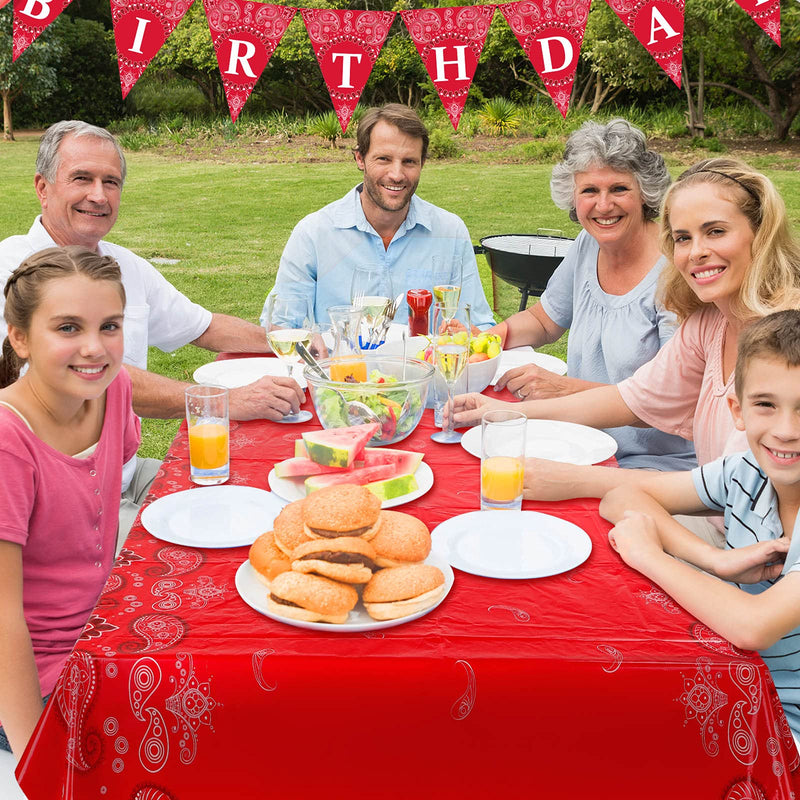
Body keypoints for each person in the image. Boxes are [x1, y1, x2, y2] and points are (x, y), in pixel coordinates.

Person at [453, 158, 800, 539]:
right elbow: (631, 399)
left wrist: (579, 480)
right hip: (720, 523)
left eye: (715, 231)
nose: (695, 252)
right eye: (683, 238)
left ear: (761, 232)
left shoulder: (787, 339)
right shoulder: (710, 321)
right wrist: (506, 411)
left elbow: (729, 490)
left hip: (756, 551)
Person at [0, 120, 305, 544]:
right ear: (43, 187)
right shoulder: (14, 271)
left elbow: (205, 326)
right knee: (214, 547)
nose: (98, 195)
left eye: (111, 182)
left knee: (262, 500)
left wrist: (293, 342)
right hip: (55, 504)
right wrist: (222, 403)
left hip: (124, 473)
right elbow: (92, 381)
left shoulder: (122, 265)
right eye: (82, 178)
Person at [599, 309, 800, 742]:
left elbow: (754, 625)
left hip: (786, 729)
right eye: (766, 405)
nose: (786, 430)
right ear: (738, 410)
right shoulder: (745, 471)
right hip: (738, 685)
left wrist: (651, 555)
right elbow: (622, 498)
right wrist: (714, 559)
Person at [484, 118, 695, 470]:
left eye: (619, 189)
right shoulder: (587, 244)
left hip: (655, 463)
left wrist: (563, 389)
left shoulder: (675, 269)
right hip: (583, 445)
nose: (603, 205)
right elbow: (544, 320)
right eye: (589, 191)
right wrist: (487, 340)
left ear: (646, 193)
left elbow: (669, 401)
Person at [0, 246, 140, 758]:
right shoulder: (8, 442)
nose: (94, 349)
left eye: (109, 326)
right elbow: (2, 617)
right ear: (20, 338)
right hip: (30, 679)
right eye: (67, 328)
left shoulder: (113, 389)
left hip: (99, 634)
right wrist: (34, 751)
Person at [261, 103, 495, 330]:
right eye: (384, 159)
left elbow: (477, 325)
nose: (396, 174)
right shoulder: (313, 234)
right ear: (360, 159)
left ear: (423, 163)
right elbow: (281, 328)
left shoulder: (450, 232)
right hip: (340, 369)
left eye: (409, 162)